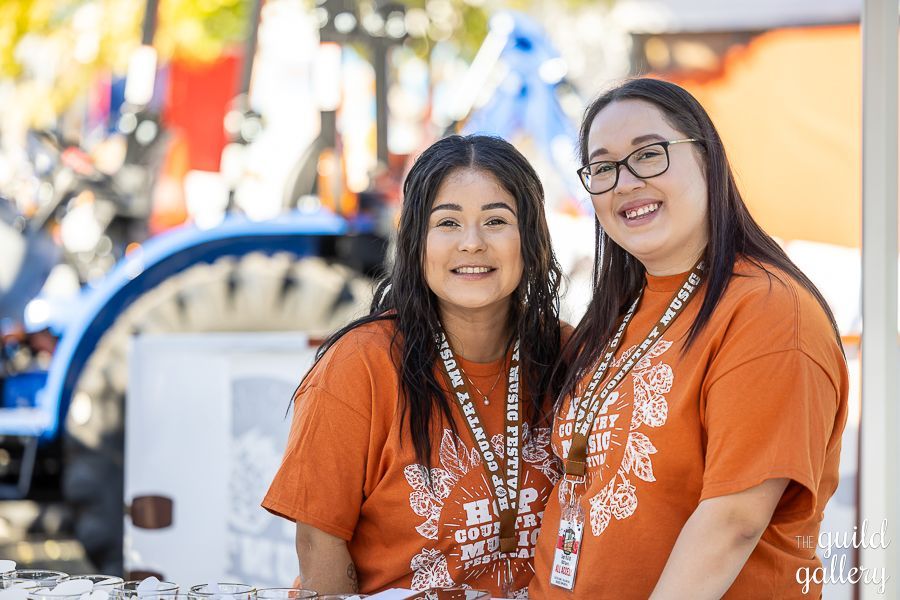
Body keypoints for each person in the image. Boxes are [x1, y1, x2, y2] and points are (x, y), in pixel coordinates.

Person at [530, 78, 849, 599]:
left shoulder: (768, 312)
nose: (625, 182)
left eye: (649, 155)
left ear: (707, 159)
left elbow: (733, 521)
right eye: (604, 167)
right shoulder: (618, 311)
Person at [264, 134, 566, 597]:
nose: (472, 243)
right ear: (415, 241)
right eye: (447, 222)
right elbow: (319, 540)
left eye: (496, 220)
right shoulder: (360, 365)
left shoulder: (569, 354)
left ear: (532, 237)